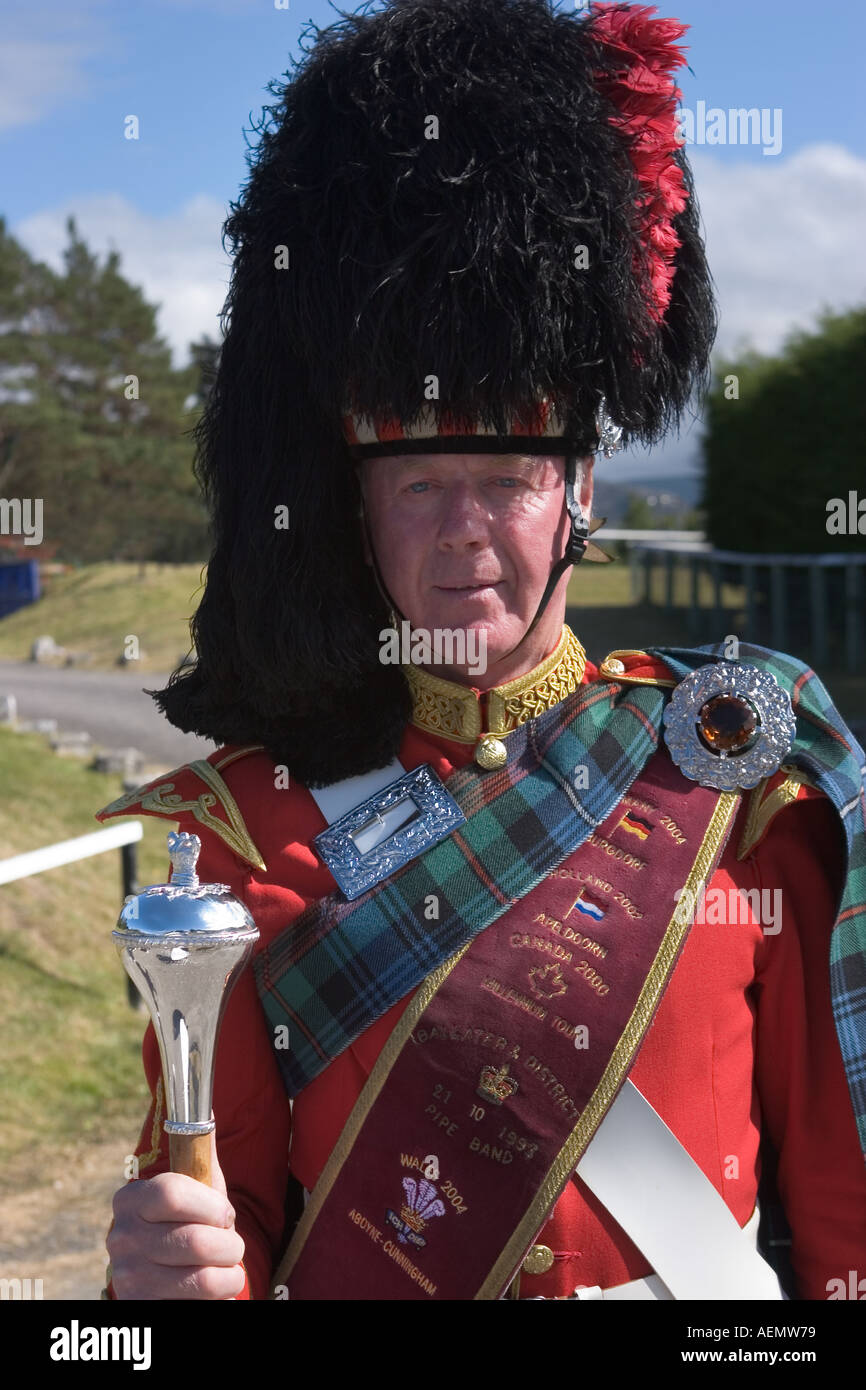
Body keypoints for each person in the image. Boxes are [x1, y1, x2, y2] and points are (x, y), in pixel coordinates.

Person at [97, 0, 866, 1300]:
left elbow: (842, 1211)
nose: (463, 534)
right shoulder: (244, 836)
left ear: (577, 493)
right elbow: (221, 1230)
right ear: (353, 507)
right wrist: (155, 1287)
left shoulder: (742, 780)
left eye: (506, 472)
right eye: (416, 485)